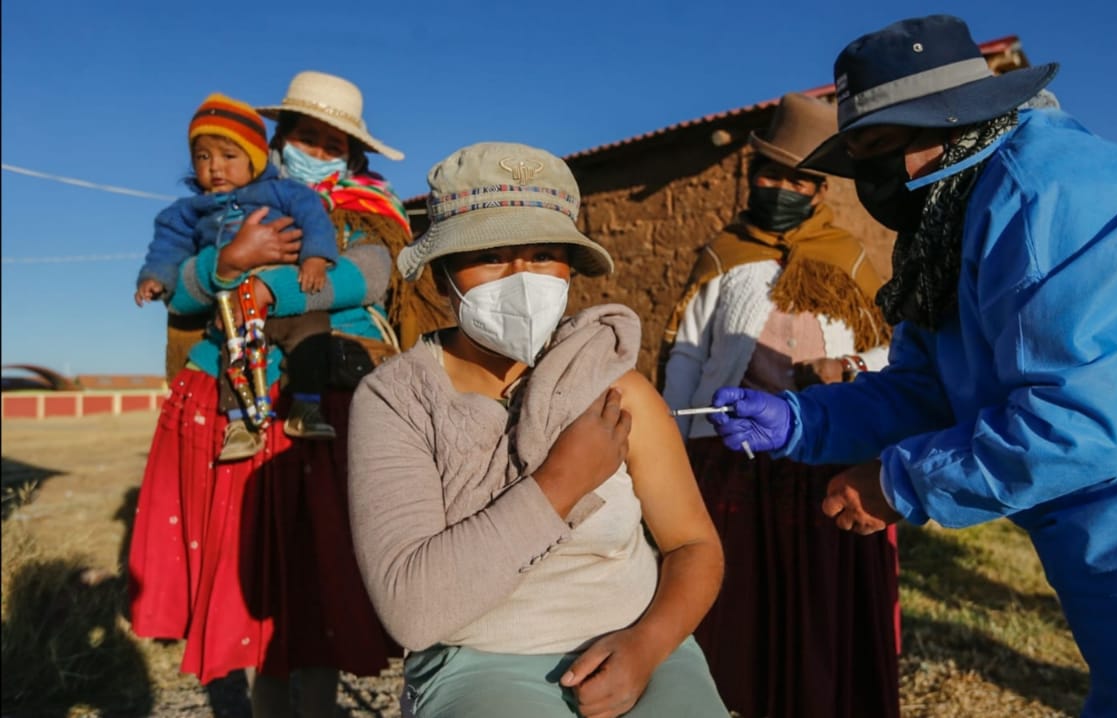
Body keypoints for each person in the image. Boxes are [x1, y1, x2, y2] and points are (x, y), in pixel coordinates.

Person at [707, 15, 1117, 717]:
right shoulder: (951, 220)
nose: (874, 178)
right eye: (861, 156)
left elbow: (1080, 423)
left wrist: (899, 482)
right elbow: (929, 389)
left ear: (955, 119)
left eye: (886, 145)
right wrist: (804, 420)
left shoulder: (1051, 196)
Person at [350, 141, 730, 718]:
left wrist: (647, 648)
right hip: (479, 659)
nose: (523, 279)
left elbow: (693, 545)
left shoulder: (614, 386)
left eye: (544, 254)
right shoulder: (397, 400)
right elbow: (411, 609)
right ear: (443, 273)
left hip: (642, 648)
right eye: (492, 256)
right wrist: (559, 482)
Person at [127, 70, 424, 718]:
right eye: (303, 136)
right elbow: (181, 292)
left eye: (329, 143)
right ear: (279, 139)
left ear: (352, 155)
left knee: (316, 571)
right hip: (232, 391)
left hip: (320, 396)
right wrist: (225, 263)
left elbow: (368, 278)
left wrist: (271, 290)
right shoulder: (235, 205)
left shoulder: (371, 208)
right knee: (251, 567)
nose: (314, 151)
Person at [659, 92, 899, 718]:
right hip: (730, 457)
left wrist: (845, 370)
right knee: (733, 600)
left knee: (821, 600)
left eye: (799, 178)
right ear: (751, 176)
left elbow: (889, 357)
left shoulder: (847, 258)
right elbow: (687, 352)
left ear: (820, 190)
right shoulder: (722, 254)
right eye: (770, 174)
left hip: (827, 456)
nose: (782, 187)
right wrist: (670, 447)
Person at [135, 92, 339, 461]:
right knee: (231, 353)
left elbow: (312, 217)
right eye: (203, 157)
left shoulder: (283, 191)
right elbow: (168, 247)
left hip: (289, 294)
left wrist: (315, 258)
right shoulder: (186, 212)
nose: (215, 168)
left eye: (229, 156)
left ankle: (306, 408)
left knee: (314, 333)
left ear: (256, 159)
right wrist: (155, 277)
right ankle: (238, 425)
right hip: (232, 303)